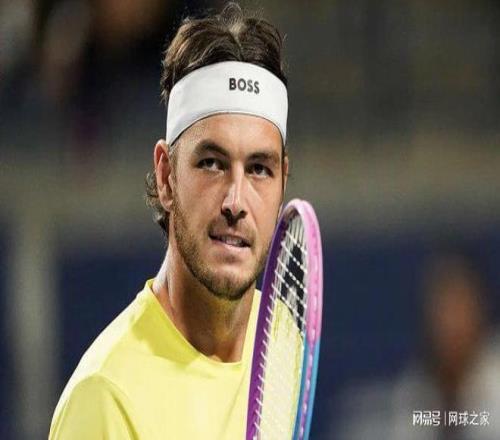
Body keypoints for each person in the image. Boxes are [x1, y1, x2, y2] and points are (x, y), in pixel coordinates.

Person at [49, 5, 289, 439]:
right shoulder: (104, 397)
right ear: (166, 177)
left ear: (282, 182)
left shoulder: (283, 340)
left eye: (259, 169)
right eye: (212, 163)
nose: (236, 201)